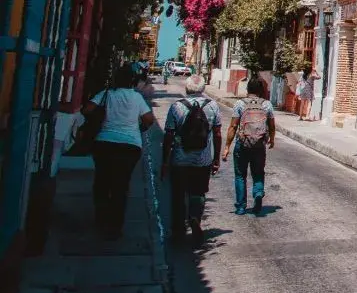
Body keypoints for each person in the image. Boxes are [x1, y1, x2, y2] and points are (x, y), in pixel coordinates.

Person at [83, 62, 156, 239]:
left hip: (104, 143)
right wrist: (139, 129)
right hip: (129, 146)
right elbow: (149, 119)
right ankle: (115, 226)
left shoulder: (106, 94)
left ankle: (101, 219)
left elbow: (87, 110)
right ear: (132, 80)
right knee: (121, 186)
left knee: (101, 183)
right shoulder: (136, 98)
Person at [162, 78, 221, 243]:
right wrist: (216, 158)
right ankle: (195, 217)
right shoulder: (212, 106)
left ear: (187, 88)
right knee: (199, 193)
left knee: (178, 195)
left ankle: (178, 231)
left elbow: (168, 135)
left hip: (179, 160)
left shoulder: (177, 106)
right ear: (202, 88)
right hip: (202, 160)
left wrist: (165, 161)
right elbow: (217, 134)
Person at [222, 74, 275, 215]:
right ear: (260, 89)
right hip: (259, 145)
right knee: (258, 173)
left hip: (242, 144)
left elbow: (233, 126)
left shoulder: (240, 104)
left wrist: (227, 146)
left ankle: (240, 206)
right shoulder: (266, 104)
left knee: (240, 175)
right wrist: (272, 139)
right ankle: (258, 193)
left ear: (248, 88)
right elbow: (272, 125)